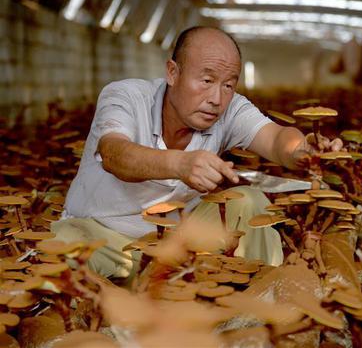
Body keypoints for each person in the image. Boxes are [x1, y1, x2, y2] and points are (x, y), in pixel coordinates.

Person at [52, 26, 342, 280]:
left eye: (228, 84)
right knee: (61, 244)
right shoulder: (126, 96)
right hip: (103, 236)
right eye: (206, 80)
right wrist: (180, 164)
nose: (216, 98)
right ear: (172, 73)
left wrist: (304, 150)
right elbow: (115, 154)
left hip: (179, 244)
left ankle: (259, 305)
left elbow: (277, 137)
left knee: (248, 200)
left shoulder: (231, 109)